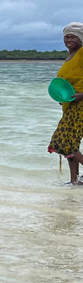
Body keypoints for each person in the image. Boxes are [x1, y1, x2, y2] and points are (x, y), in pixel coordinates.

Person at [47, 22, 83, 184]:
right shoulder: (69, 57)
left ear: (80, 38)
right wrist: (62, 98)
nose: (69, 40)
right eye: (66, 37)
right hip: (70, 106)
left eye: (73, 37)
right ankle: (74, 182)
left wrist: (81, 95)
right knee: (70, 143)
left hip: (80, 105)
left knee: (62, 142)